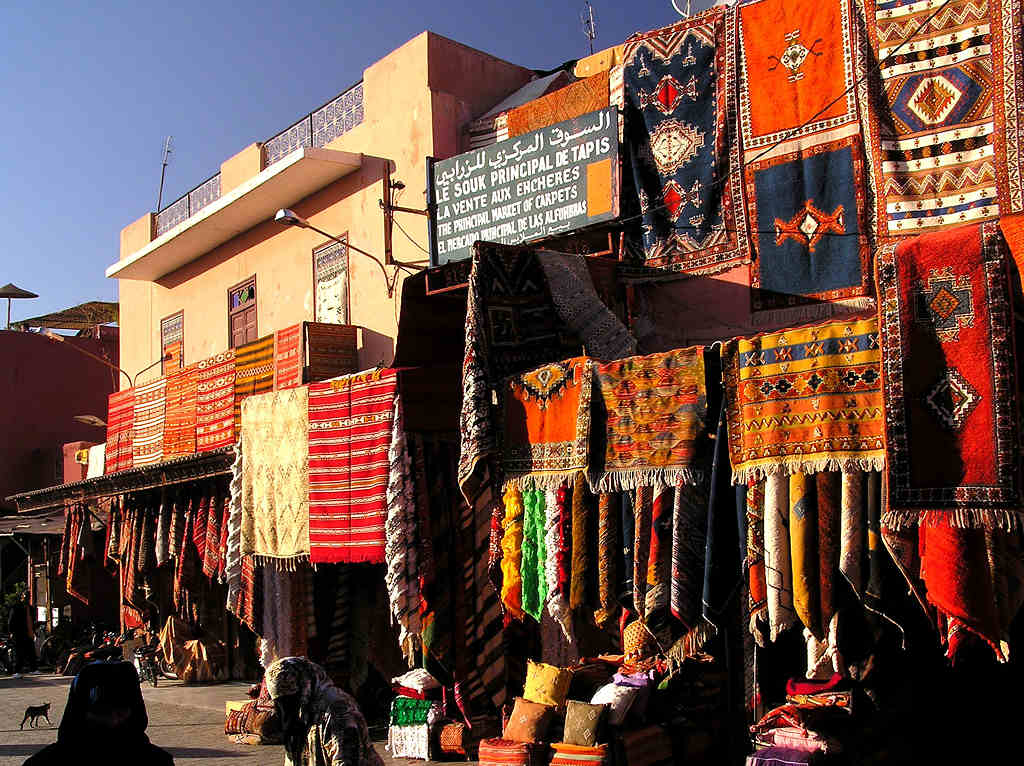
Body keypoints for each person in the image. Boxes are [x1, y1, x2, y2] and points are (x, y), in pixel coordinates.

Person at [23, 660, 174, 766]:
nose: (113, 721)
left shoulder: (157, 760)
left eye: (121, 712)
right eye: (103, 712)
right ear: (81, 712)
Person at [266, 656, 385, 766]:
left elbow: (345, 760)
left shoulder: (338, 710)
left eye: (288, 699)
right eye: (280, 701)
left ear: (303, 686)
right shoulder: (302, 709)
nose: (285, 707)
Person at [7, 590, 37, 676]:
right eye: (25, 596)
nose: (27, 598)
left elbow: (32, 620)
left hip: (29, 632)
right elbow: (11, 620)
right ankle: (16, 671)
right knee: (19, 652)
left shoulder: (30, 608)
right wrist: (11, 632)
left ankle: (33, 669)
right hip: (19, 632)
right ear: (22, 597)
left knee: (31, 651)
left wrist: (33, 630)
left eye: (29, 596)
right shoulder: (16, 607)